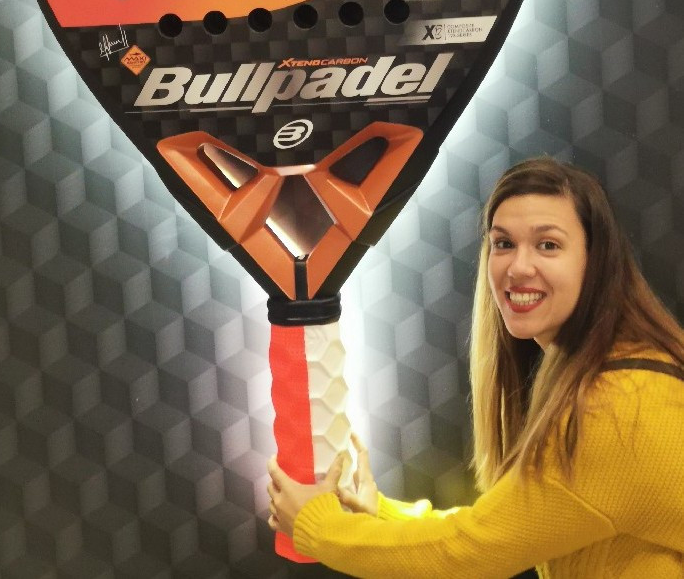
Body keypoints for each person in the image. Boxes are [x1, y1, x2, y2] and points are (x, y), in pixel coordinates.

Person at [267, 157, 684, 578]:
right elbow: (506, 526)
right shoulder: (609, 372)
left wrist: (319, 527)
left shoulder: (616, 408)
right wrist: (382, 516)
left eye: (548, 245)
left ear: (595, 260)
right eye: (503, 244)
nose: (518, 267)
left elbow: (469, 552)